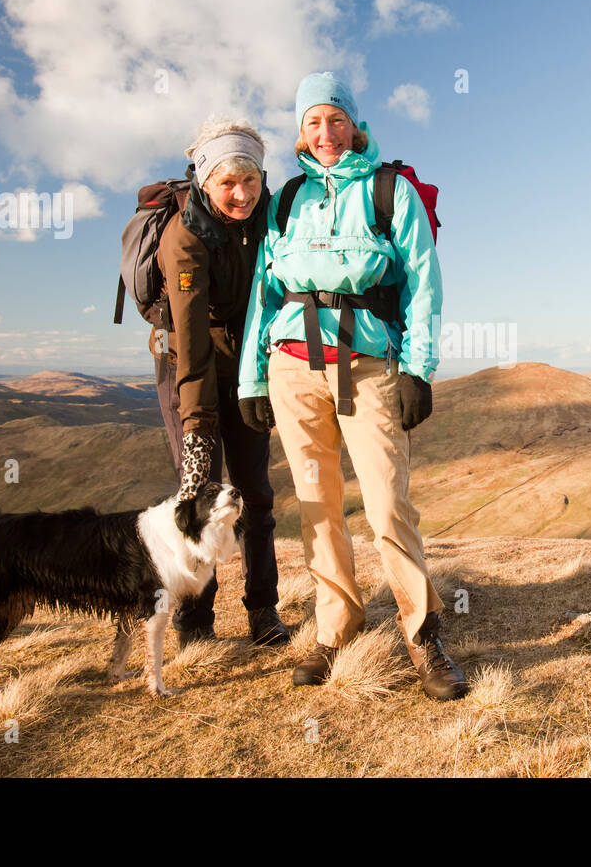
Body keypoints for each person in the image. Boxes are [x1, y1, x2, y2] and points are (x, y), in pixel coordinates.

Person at [237, 72, 467, 700]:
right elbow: (264, 290)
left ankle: (422, 635)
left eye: (335, 119)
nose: (325, 132)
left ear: (355, 125)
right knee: (317, 504)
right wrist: (252, 378)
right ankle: (335, 629)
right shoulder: (285, 200)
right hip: (291, 362)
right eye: (312, 122)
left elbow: (423, 282)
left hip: (367, 364)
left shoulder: (390, 192)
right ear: (301, 133)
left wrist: (419, 369)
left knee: (388, 502)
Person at [150, 116, 288, 649]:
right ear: (205, 182)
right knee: (200, 494)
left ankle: (263, 612)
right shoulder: (184, 236)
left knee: (256, 494)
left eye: (250, 180)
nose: (241, 193)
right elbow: (189, 338)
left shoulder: (268, 218)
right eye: (227, 182)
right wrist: (199, 423)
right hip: (187, 367)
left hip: (246, 367)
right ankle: (195, 624)